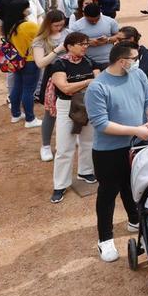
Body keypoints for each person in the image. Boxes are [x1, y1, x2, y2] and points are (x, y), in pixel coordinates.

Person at [86, 42, 148, 262]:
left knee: (134, 184)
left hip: (138, 145)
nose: (138, 61)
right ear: (122, 61)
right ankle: (105, 240)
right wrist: (135, 129)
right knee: (108, 193)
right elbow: (101, 123)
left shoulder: (138, 76)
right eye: (134, 57)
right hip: (108, 151)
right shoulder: (97, 87)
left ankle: (134, 219)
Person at [49, 32, 98, 204]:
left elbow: (98, 80)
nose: (85, 46)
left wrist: (83, 83)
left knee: (88, 141)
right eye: (80, 44)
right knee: (64, 146)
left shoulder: (89, 61)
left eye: (86, 43)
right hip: (67, 107)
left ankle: (86, 171)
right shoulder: (59, 64)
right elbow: (65, 88)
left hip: (88, 104)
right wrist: (86, 82)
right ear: (69, 46)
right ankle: (60, 184)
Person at [32, 10, 69, 162]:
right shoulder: (40, 40)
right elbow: (40, 63)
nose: (59, 28)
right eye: (56, 25)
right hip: (52, 76)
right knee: (51, 112)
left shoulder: (68, 33)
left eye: (61, 25)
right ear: (48, 24)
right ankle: (45, 145)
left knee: (74, 108)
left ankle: (71, 139)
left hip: (71, 73)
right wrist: (57, 50)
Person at [8, 7, 44, 128]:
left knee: (17, 87)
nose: (29, 8)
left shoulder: (12, 27)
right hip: (30, 61)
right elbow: (43, 34)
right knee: (28, 90)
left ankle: (16, 114)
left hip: (17, 61)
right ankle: (30, 119)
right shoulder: (29, 25)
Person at [70, 3, 121, 70]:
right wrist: (88, 42)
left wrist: (107, 40)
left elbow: (119, 36)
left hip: (107, 60)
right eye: (91, 20)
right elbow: (71, 43)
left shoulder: (110, 22)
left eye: (97, 19)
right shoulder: (76, 26)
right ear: (84, 15)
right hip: (86, 62)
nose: (94, 22)